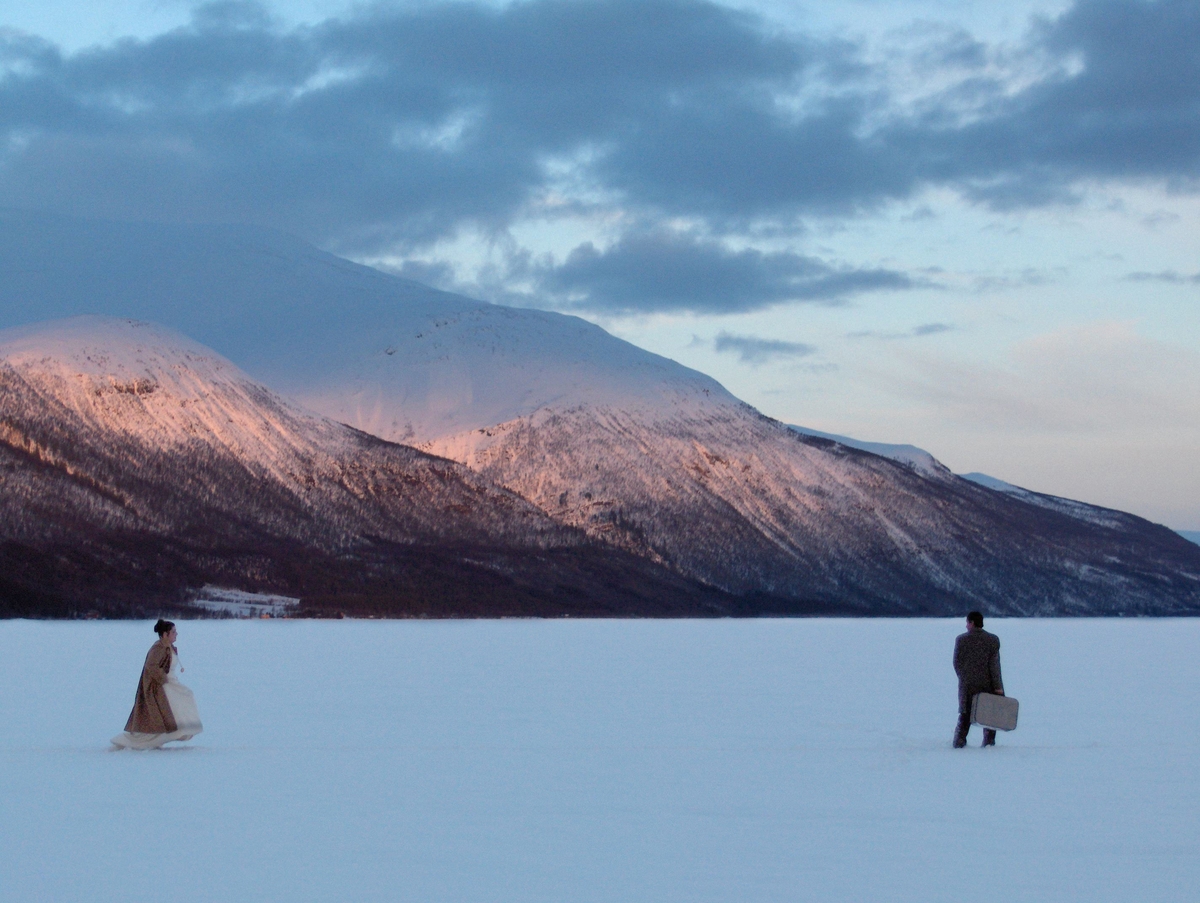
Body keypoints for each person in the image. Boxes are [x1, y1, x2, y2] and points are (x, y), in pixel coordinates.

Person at [111, 619, 204, 750]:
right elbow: (151, 666)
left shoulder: (168, 647)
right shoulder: (158, 648)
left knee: (185, 698)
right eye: (173, 632)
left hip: (170, 683)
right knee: (181, 700)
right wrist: (164, 679)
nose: (176, 634)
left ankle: (181, 731)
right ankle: (139, 740)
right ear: (165, 634)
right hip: (162, 686)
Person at [952, 611, 1003, 748]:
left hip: (967, 685)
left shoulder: (961, 640)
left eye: (967, 622)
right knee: (989, 716)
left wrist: (964, 677)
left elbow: (956, 662)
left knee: (965, 714)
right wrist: (998, 687)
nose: (966, 626)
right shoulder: (992, 640)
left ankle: (959, 742)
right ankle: (988, 744)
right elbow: (994, 666)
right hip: (988, 683)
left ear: (972, 622)